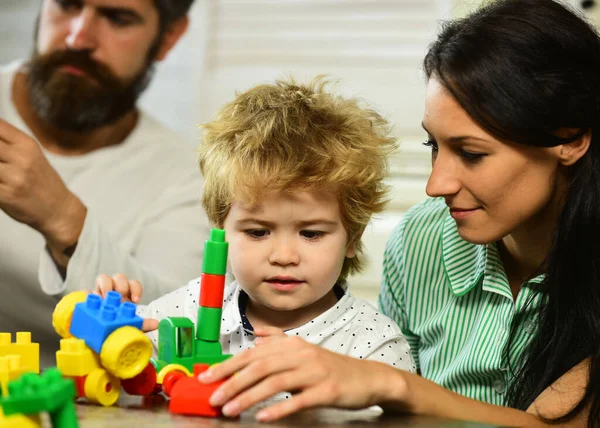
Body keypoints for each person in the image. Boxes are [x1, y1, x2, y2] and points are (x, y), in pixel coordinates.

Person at [189, 1, 600, 426]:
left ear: (570, 139)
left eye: (472, 153)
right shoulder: (422, 236)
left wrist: (389, 383)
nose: (436, 185)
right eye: (434, 147)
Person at [96, 78, 416, 376]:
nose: (284, 256)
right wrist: (111, 339)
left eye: (312, 233)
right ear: (221, 230)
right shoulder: (189, 306)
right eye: (258, 232)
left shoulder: (374, 347)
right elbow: (128, 391)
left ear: (353, 238)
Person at [0, 0, 209, 368]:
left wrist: (62, 216)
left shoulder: (189, 182)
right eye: (66, 4)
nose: (79, 37)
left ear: (168, 38)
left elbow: (171, 328)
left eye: (117, 18)